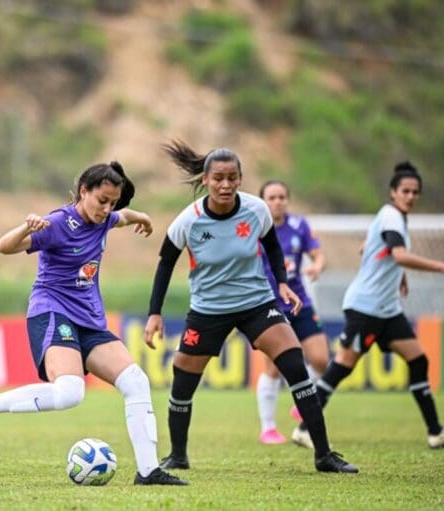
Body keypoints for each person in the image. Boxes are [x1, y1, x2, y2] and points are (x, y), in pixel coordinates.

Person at [0, 161, 188, 486]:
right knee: (70, 393)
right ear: (83, 192)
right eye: (102, 200)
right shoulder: (58, 223)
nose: (107, 208)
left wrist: (140, 217)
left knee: (136, 382)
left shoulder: (107, 218)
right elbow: (4, 247)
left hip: (89, 319)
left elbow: (124, 218)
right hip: (52, 311)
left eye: (113, 202)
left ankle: (148, 471)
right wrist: (26, 228)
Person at [143, 141, 357, 473]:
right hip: (208, 309)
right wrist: (154, 313)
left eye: (232, 177)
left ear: (241, 179)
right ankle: (178, 455)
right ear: (206, 180)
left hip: (256, 302)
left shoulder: (257, 210)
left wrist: (283, 282)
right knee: (182, 379)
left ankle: (324, 455)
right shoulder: (189, 220)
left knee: (295, 365)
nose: (225, 185)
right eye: (218, 178)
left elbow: (272, 246)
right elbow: (165, 265)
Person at [292, 161, 444, 450]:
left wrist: (399, 276)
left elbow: (371, 248)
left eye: (415, 192)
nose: (411, 196)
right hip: (366, 308)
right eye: (406, 191)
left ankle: (436, 431)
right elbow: (397, 254)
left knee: (418, 359)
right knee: (342, 367)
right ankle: (303, 428)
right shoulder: (391, 217)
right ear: (393, 192)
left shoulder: (393, 218)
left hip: (387, 309)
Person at [254, 180, 330, 446]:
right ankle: (268, 428)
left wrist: (318, 266)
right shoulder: (252, 227)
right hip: (268, 304)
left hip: (300, 301)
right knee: (273, 368)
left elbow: (318, 255)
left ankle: (303, 401)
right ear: (263, 201)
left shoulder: (300, 225)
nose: (277, 201)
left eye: (282, 197)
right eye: (272, 197)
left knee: (320, 360)